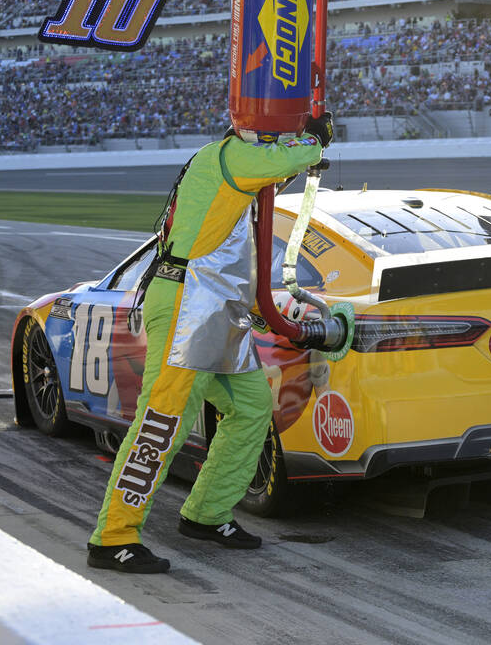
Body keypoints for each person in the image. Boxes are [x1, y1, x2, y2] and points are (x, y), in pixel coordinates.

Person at [86, 112, 333, 574]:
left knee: (253, 407)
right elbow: (292, 157)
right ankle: (113, 537)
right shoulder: (232, 155)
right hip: (188, 303)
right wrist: (312, 140)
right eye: (272, 138)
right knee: (163, 421)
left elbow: (276, 173)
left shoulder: (240, 174)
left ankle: (207, 513)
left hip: (217, 309)